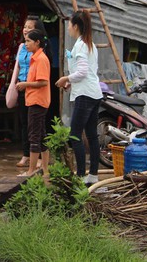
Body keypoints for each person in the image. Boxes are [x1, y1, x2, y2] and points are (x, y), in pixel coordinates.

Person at [55, 10, 103, 185]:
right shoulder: (89, 44)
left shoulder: (81, 45)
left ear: (75, 26)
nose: (68, 28)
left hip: (85, 95)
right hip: (93, 93)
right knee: (91, 135)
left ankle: (82, 175)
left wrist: (65, 79)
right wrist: (71, 82)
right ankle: (93, 175)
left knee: (75, 134)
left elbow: (82, 72)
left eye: (69, 24)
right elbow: (86, 71)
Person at [8, 15, 48, 168]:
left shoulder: (41, 54)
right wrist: (15, 83)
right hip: (23, 88)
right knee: (26, 123)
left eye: (30, 27)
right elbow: (17, 66)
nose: (25, 30)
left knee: (36, 127)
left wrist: (27, 83)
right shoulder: (22, 47)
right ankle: (27, 155)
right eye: (25, 27)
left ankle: (36, 164)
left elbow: (43, 79)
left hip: (34, 90)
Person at [16, 29, 51, 177]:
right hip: (34, 100)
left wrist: (25, 84)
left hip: (37, 101)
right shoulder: (35, 58)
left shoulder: (41, 59)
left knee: (34, 136)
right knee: (41, 135)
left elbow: (43, 82)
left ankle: (31, 171)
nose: (26, 44)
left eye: (29, 41)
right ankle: (45, 170)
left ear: (37, 42)